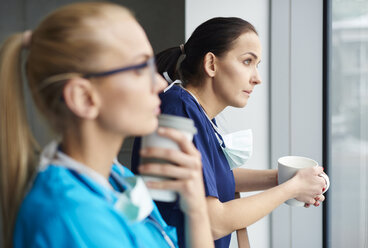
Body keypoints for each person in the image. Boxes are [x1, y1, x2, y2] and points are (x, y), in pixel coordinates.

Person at [0, 2, 214, 248]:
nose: (158, 82)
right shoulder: (72, 218)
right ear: (84, 98)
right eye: (139, 68)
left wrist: (196, 208)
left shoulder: (117, 177)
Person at [131, 17, 328, 248]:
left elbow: (213, 179)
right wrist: (291, 188)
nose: (257, 78)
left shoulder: (196, 111)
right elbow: (213, 221)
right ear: (211, 64)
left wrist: (284, 178)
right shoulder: (178, 110)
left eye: (257, 65)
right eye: (247, 61)